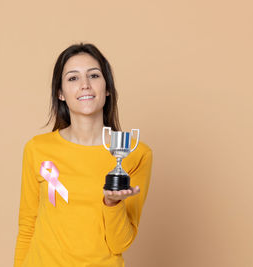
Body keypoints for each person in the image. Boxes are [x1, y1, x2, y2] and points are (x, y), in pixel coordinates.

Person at [14, 43, 153, 267]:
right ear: (60, 93)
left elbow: (120, 244)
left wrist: (112, 204)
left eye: (94, 75)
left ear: (107, 88)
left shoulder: (137, 154)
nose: (85, 85)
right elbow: (28, 226)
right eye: (73, 78)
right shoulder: (37, 149)